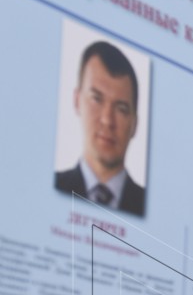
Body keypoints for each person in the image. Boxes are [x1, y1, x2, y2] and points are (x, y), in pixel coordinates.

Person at [55, 41, 146, 216]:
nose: (107, 120)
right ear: (77, 101)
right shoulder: (53, 186)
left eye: (121, 109)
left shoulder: (149, 205)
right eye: (96, 99)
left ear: (135, 125)